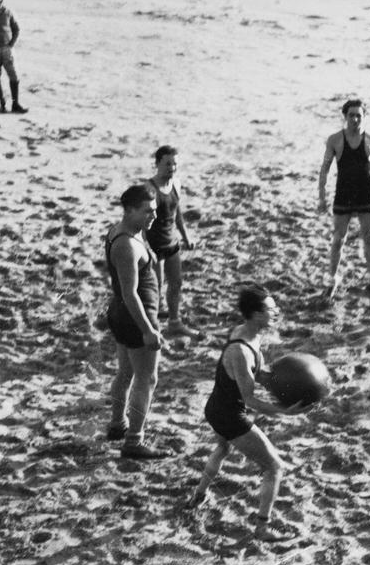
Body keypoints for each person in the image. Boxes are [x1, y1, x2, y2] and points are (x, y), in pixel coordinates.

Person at [189, 286, 306, 538]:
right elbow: (250, 399)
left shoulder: (249, 334)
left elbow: (258, 374)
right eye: (269, 309)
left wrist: (285, 384)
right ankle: (262, 527)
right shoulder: (240, 350)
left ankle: (198, 495)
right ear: (254, 314)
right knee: (275, 467)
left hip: (216, 407)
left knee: (222, 448)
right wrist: (284, 411)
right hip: (229, 415)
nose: (275, 312)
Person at [104, 184, 167, 460]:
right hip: (135, 316)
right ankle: (134, 441)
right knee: (146, 378)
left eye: (154, 210)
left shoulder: (126, 232)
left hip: (122, 313)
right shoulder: (127, 244)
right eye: (147, 211)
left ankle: (118, 425)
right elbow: (130, 293)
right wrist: (149, 330)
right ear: (129, 210)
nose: (153, 216)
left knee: (126, 373)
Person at [317, 99, 370, 301]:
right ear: (345, 116)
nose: (355, 119)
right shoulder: (335, 140)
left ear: (364, 117)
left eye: (359, 115)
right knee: (339, 238)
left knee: (368, 236)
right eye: (351, 115)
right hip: (344, 195)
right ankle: (331, 280)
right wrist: (322, 198)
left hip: (366, 194)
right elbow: (324, 169)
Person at [145, 146, 198, 337]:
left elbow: (177, 213)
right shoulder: (149, 189)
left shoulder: (176, 183)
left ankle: (174, 323)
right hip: (154, 245)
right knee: (155, 289)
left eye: (175, 164)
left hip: (171, 242)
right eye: (167, 163)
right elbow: (142, 222)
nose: (172, 168)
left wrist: (186, 236)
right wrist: (146, 248)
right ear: (157, 164)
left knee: (176, 284)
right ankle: (152, 329)